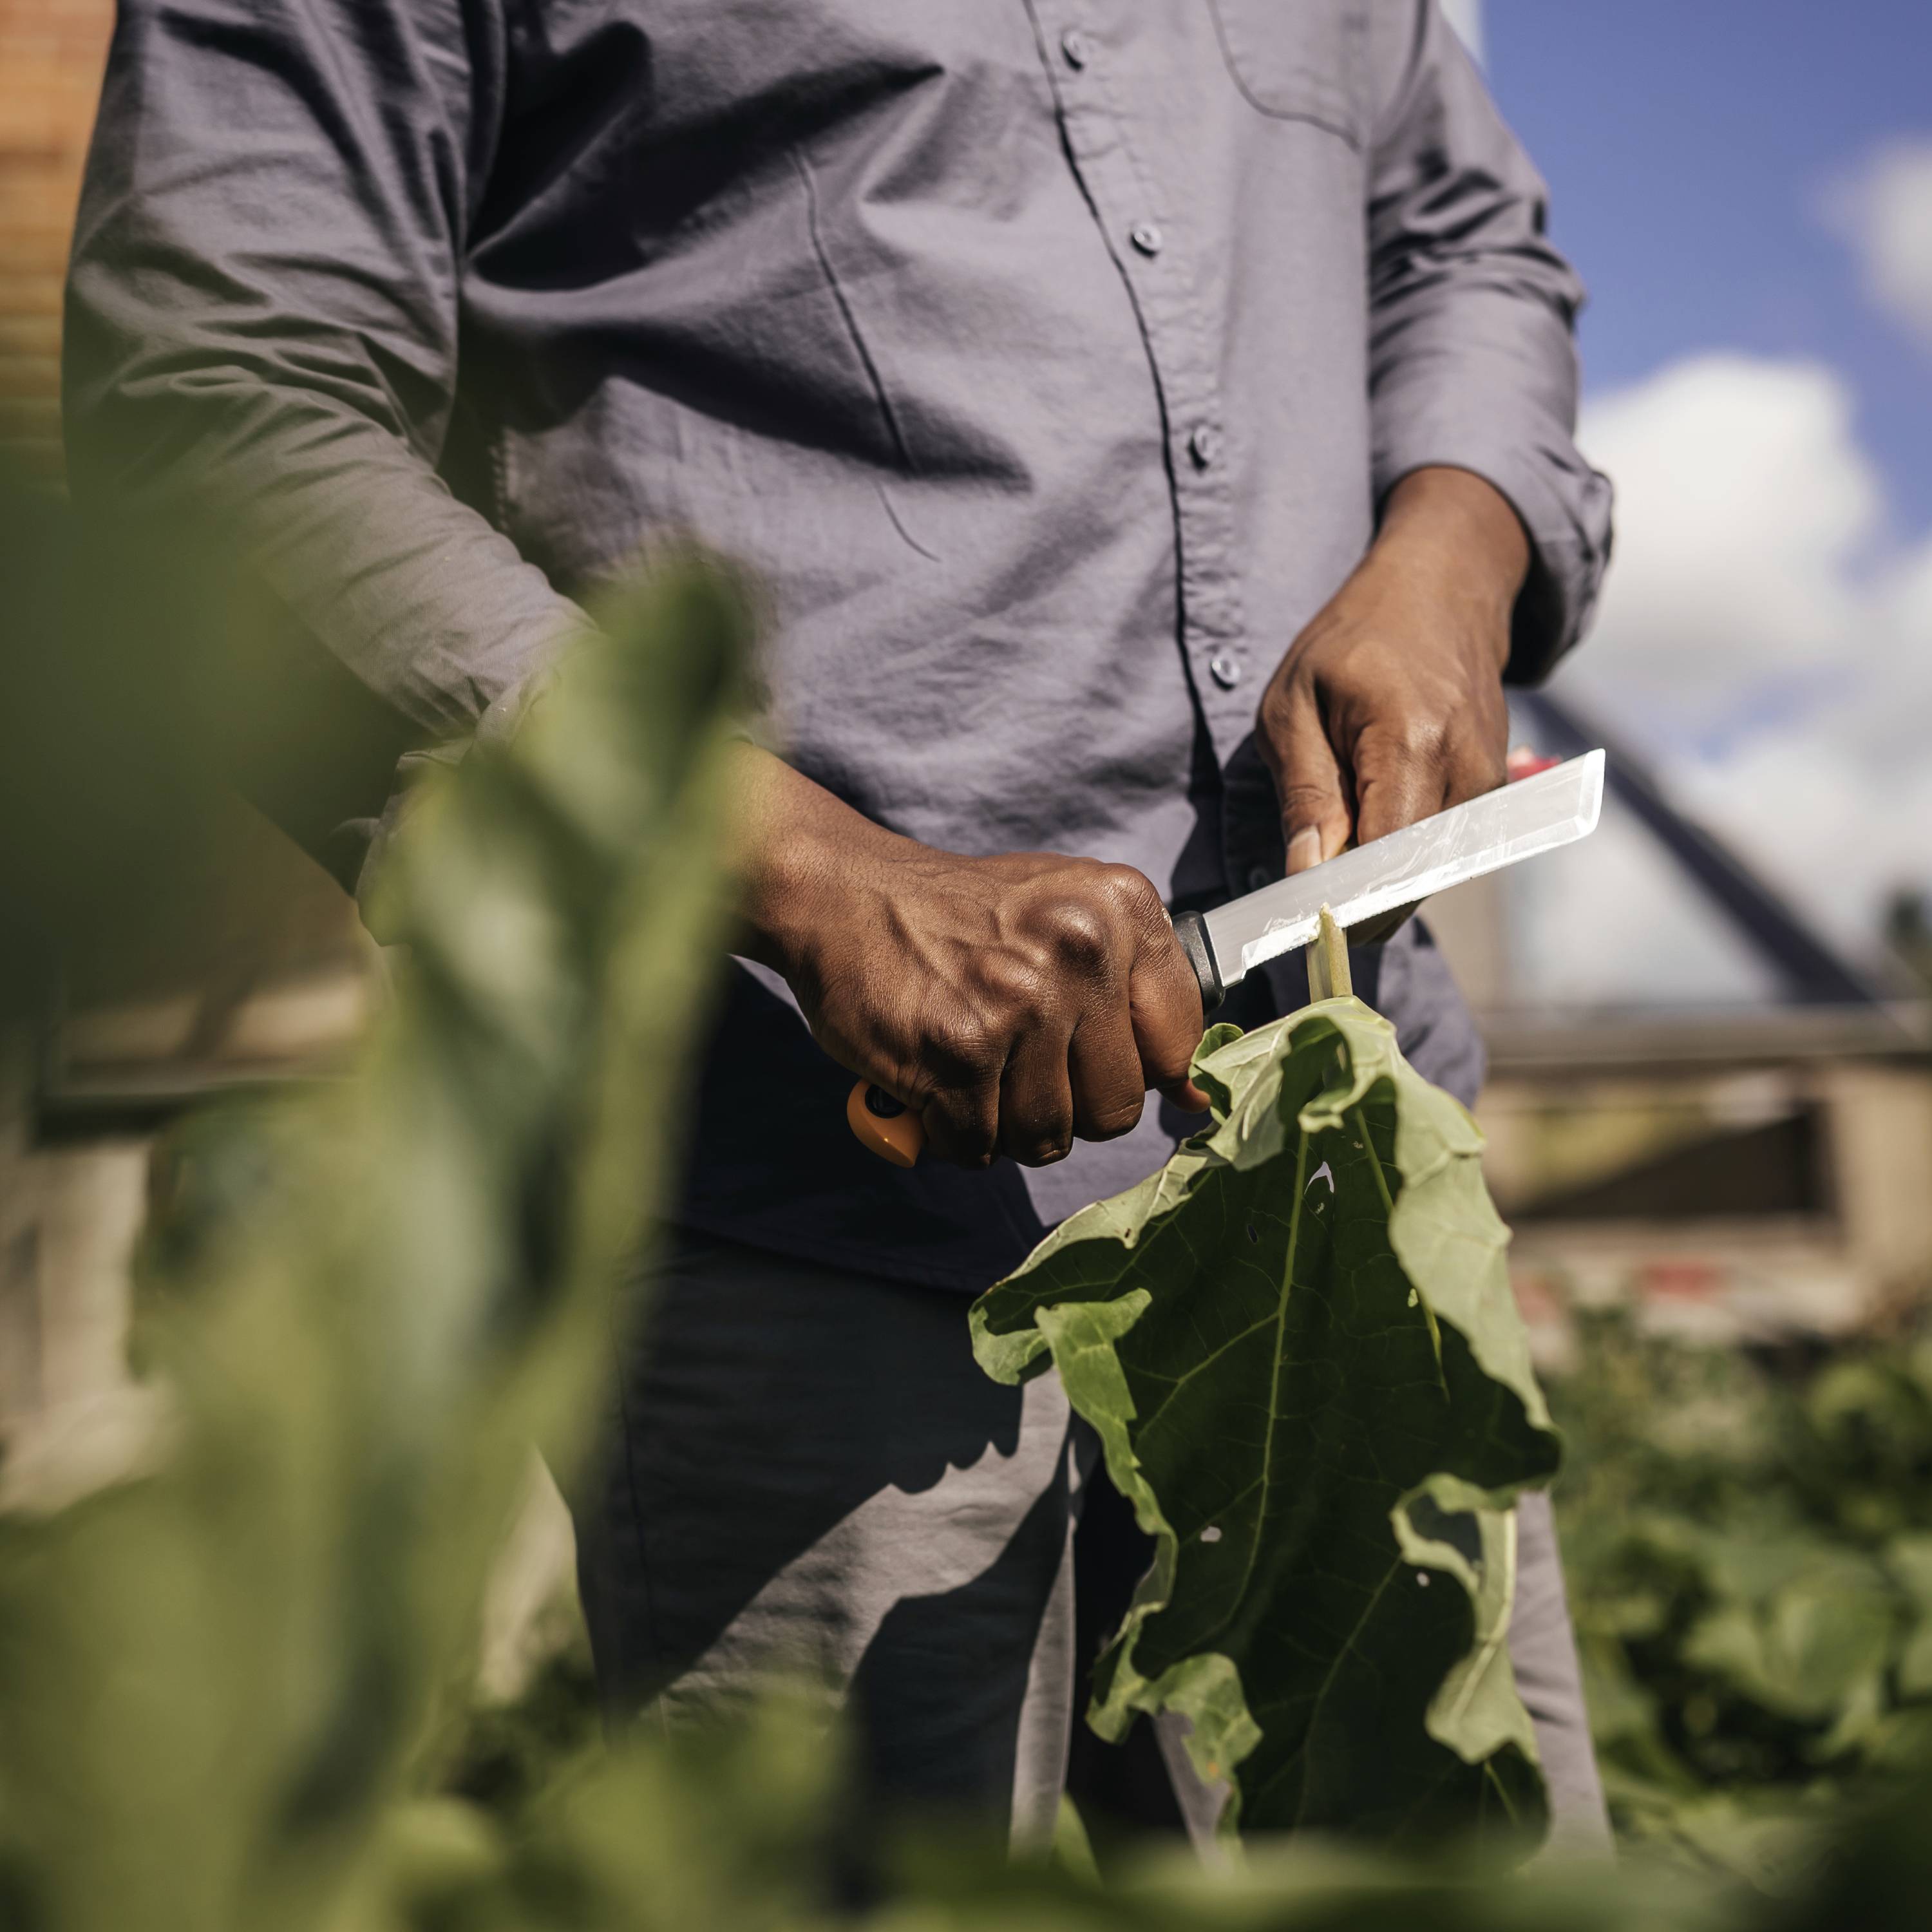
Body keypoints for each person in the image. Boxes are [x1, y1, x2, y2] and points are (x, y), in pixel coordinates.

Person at [66, 0, 1613, 1855]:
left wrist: (1456, 549)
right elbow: (217, 396)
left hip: (1351, 1212)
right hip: (801, 1199)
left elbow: (1461, 242)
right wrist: (800, 871)